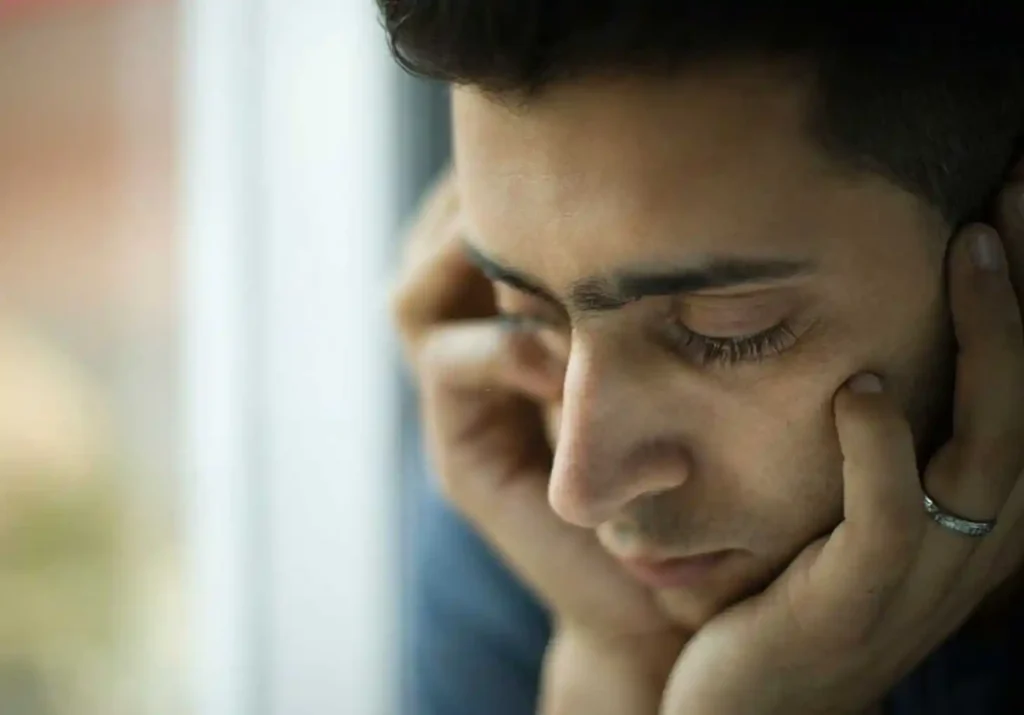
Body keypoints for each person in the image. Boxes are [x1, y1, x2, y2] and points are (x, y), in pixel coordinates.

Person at [385, 5, 1024, 713]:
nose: (579, 491)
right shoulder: (519, 517)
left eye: (727, 330)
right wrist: (617, 654)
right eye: (527, 312)